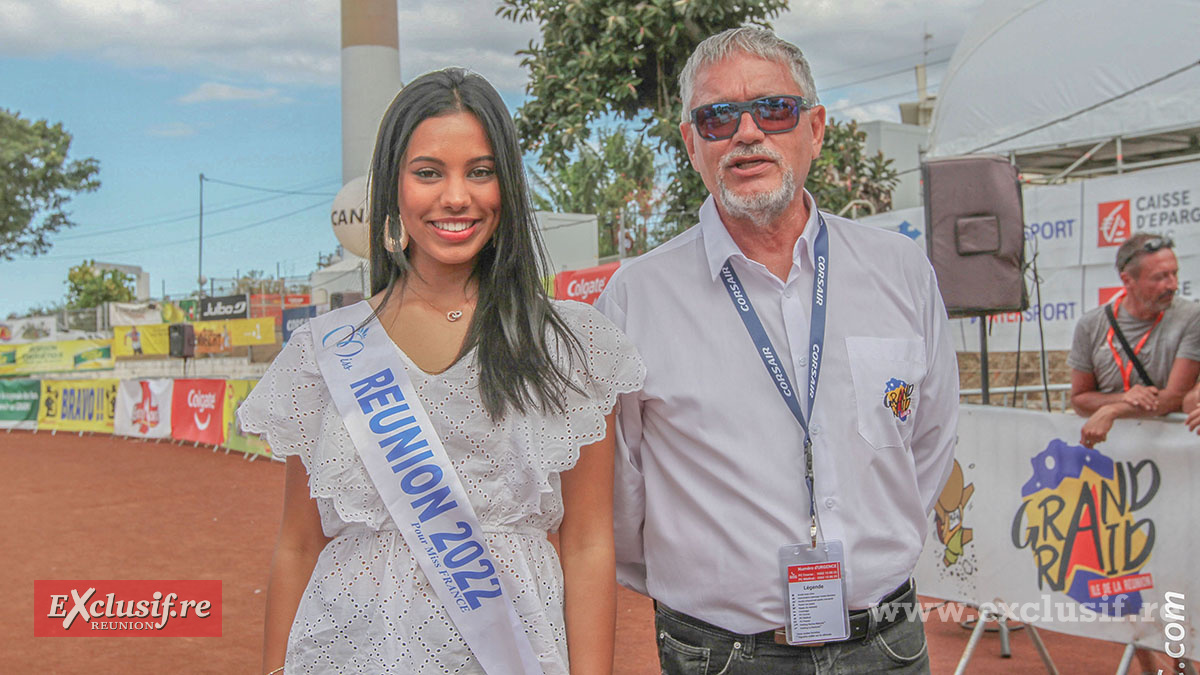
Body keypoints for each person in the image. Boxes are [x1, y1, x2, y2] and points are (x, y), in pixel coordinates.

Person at [240, 68, 643, 674]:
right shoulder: (327, 353)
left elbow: (588, 544)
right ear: (394, 189)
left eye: (480, 171)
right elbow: (298, 543)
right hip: (352, 651)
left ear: (506, 185)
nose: (457, 197)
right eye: (429, 172)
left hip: (512, 652)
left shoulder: (567, 345)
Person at [594, 27, 958, 674]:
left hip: (887, 641)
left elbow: (929, 441)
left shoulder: (899, 270)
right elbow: (618, 490)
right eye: (716, 117)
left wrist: (876, 551)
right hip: (723, 651)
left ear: (815, 128)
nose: (745, 132)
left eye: (773, 108)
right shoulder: (634, 299)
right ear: (691, 144)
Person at [1068, 233, 1200, 448]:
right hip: (1115, 454)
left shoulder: (1191, 317)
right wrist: (1123, 398)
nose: (1172, 285)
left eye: (1174, 274)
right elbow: (1080, 399)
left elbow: (1176, 396)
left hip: (1171, 453)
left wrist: (1114, 410)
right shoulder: (1091, 325)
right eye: (1160, 277)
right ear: (1127, 280)